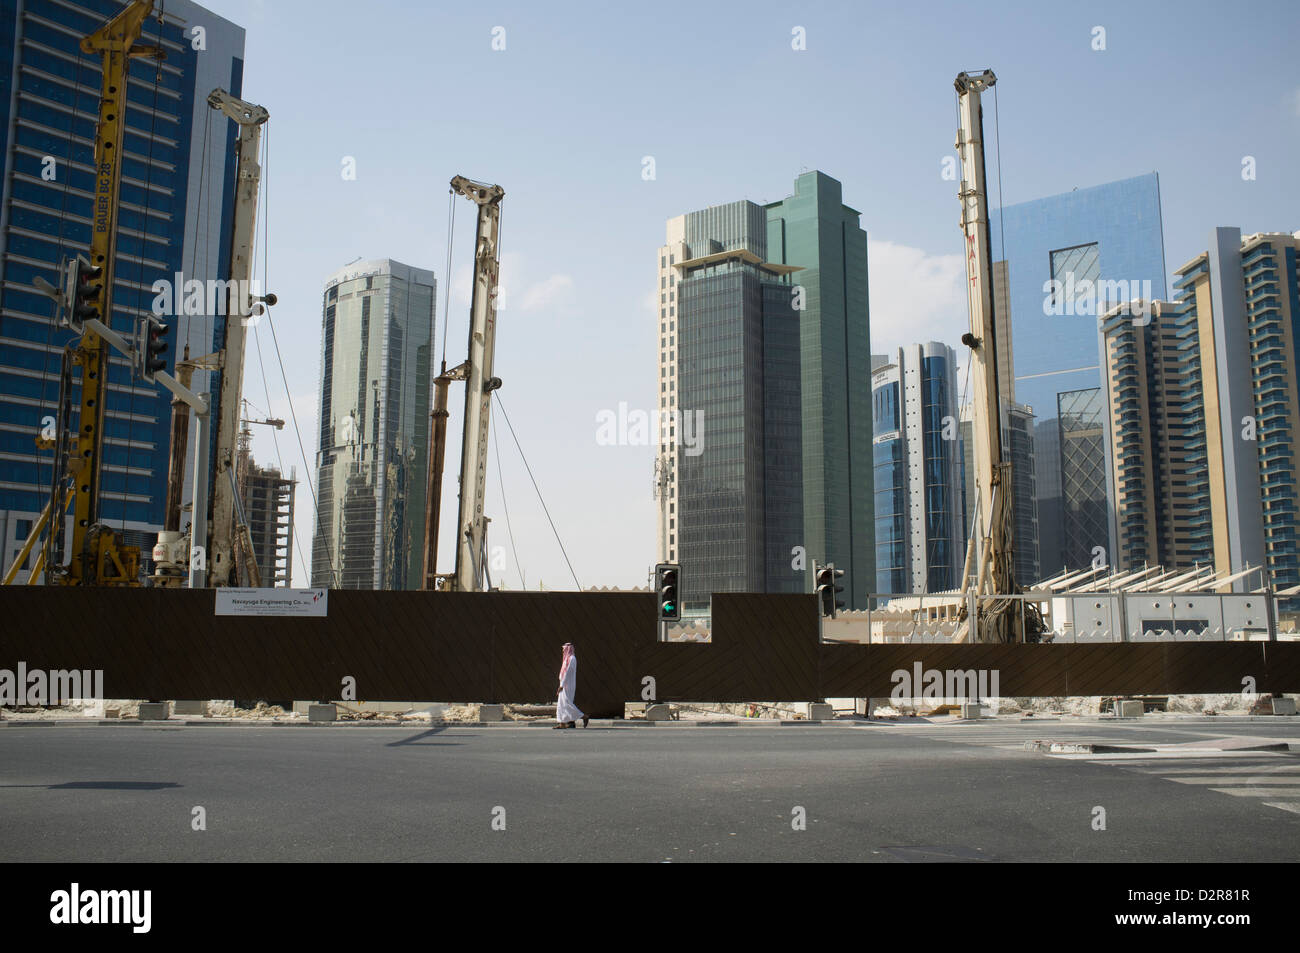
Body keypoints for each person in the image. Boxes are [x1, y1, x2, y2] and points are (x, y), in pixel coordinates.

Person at [554, 642, 587, 729]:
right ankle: (562, 723)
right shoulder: (566, 659)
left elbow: (568, 673)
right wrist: (561, 683)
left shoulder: (572, 659)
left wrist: (562, 684)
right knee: (561, 704)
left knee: (567, 704)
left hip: (568, 685)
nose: (563, 651)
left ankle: (583, 716)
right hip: (563, 684)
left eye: (564, 649)